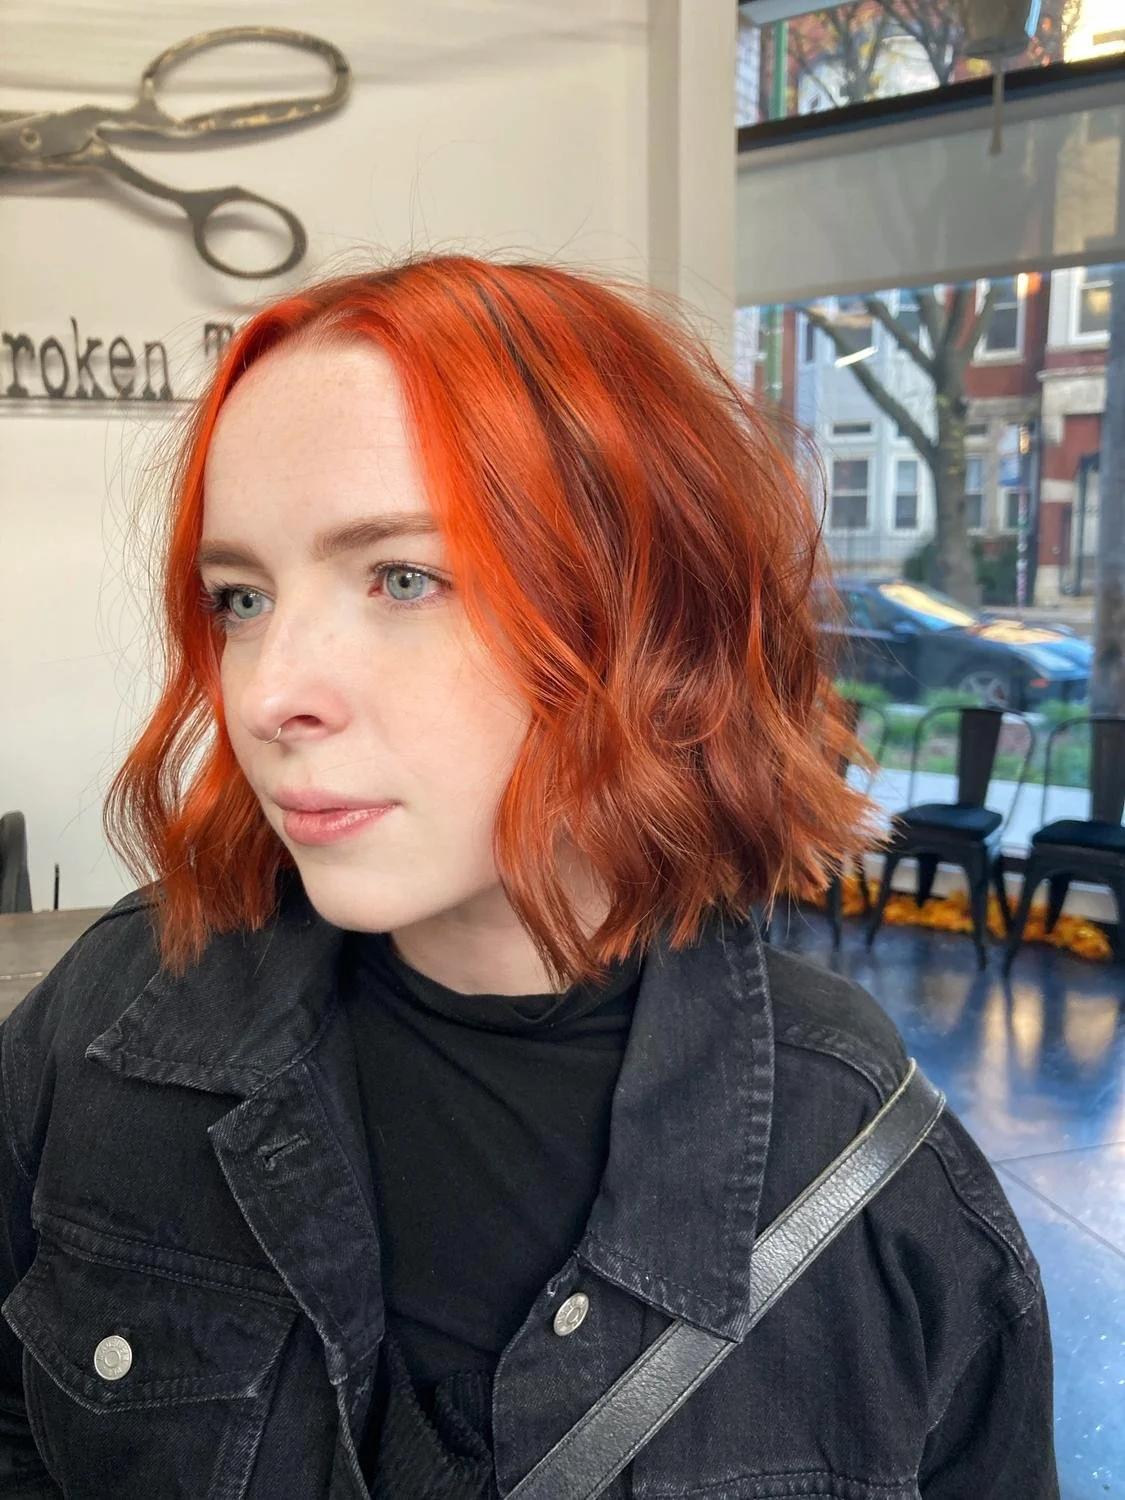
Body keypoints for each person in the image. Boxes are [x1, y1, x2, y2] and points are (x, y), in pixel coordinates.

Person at [0, 256, 1058, 1499]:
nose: (271, 692)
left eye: (404, 578)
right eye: (240, 598)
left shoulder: (865, 1176)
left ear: (646, 614)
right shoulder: (118, 1022)